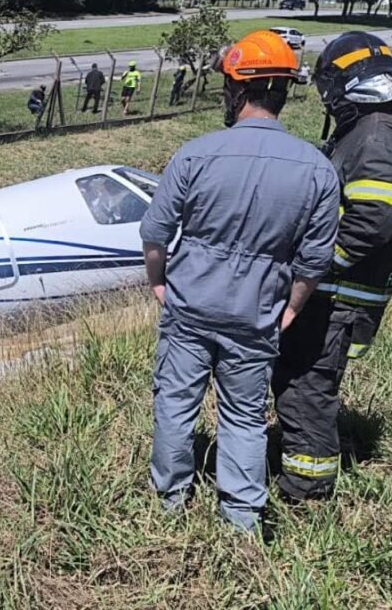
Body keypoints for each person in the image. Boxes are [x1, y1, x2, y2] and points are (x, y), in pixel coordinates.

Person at [140, 30, 340, 533]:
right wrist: (290, 309)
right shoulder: (317, 169)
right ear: (283, 91)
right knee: (244, 417)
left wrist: (159, 283)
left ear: (236, 89)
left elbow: (156, 236)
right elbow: (313, 263)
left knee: (175, 404)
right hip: (257, 315)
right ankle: (242, 517)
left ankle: (169, 501)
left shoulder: (195, 154)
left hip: (189, 306)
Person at [273, 32, 392, 502]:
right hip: (343, 294)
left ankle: (306, 493)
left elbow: (371, 220)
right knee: (303, 382)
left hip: (336, 296)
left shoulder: (376, 133)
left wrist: (312, 270)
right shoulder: (386, 128)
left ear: (342, 86)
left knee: (306, 387)